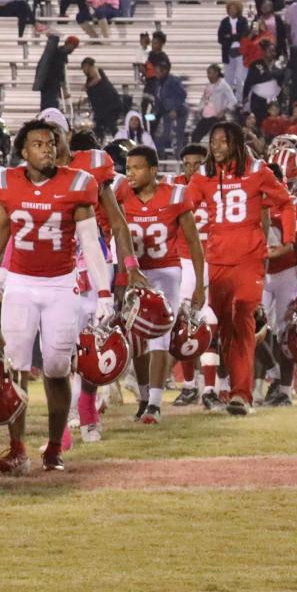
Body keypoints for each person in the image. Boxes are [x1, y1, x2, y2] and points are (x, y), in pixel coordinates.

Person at [0, 119, 114, 472]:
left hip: (61, 285)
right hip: (21, 284)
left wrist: (104, 292)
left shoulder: (78, 183)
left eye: (51, 143)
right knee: (15, 368)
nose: (46, 149)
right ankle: (16, 448)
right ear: (23, 151)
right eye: (38, 144)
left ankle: (54, 446)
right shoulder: (6, 184)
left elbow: (90, 242)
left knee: (57, 369)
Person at [183, 122, 295, 414]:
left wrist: (288, 240)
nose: (216, 146)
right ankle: (222, 389)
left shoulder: (257, 171)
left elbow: (286, 203)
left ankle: (241, 395)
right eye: (213, 141)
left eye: (222, 141)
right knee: (219, 327)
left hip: (249, 259)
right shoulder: (203, 176)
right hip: (217, 259)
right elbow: (182, 210)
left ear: (235, 143)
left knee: (243, 317)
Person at [118, 145, 207, 421]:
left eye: (137, 167)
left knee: (159, 336)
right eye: (128, 167)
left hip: (165, 271)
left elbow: (193, 242)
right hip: (133, 272)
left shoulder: (175, 194)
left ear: (153, 170)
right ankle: (144, 397)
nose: (130, 173)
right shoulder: (119, 194)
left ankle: (155, 404)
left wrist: (200, 284)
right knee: (135, 339)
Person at [34, 34, 78, 112]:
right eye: (73, 47)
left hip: (47, 84)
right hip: (51, 85)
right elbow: (60, 74)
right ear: (69, 44)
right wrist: (64, 90)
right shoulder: (61, 54)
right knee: (50, 108)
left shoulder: (57, 52)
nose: (73, 50)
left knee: (46, 107)